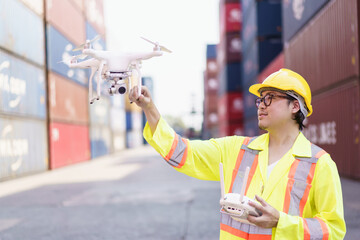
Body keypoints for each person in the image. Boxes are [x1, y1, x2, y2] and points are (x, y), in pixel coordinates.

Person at [129, 68, 346, 239]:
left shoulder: (320, 164)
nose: (261, 105)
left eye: (270, 97)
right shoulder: (236, 150)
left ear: (295, 106)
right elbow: (183, 152)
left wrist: (281, 221)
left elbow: (333, 230)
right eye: (260, 99)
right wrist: (150, 109)